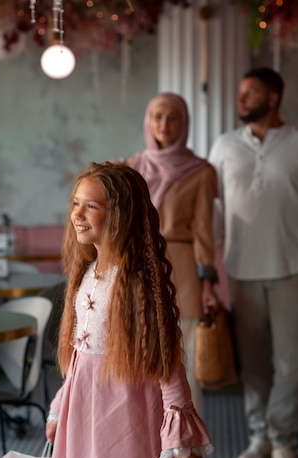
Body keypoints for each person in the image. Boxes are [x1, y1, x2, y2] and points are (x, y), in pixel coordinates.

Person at [41, 162, 213, 458]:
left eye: (91, 206)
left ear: (119, 215)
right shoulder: (89, 272)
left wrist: (182, 442)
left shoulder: (136, 283)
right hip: (84, 430)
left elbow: (166, 364)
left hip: (120, 430)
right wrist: (61, 407)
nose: (78, 214)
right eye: (76, 203)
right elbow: (80, 358)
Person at [208, 67, 298, 458]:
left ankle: (285, 441)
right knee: (253, 364)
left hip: (296, 266)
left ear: (273, 98)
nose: (242, 99)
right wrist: (205, 271)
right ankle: (260, 437)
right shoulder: (224, 146)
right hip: (241, 269)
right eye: (240, 92)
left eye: (251, 92)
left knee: (295, 361)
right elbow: (213, 208)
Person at [127, 92, 219, 415]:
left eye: (172, 117)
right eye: (157, 117)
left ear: (184, 124)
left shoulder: (201, 172)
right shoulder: (133, 166)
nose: (164, 124)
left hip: (183, 274)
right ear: (148, 122)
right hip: (137, 272)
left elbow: (204, 232)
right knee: (139, 367)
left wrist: (208, 283)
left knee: (184, 368)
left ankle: (191, 457)